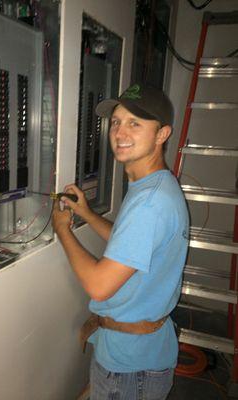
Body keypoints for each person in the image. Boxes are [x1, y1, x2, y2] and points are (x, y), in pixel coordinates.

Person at [52, 83, 189, 400]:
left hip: (130, 369)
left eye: (135, 123)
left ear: (162, 134)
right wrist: (86, 212)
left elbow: (100, 286)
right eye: (116, 121)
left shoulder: (149, 203)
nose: (120, 131)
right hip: (138, 354)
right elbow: (131, 244)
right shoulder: (155, 186)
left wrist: (63, 230)